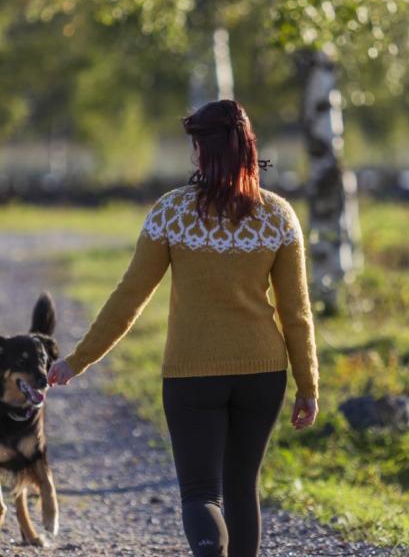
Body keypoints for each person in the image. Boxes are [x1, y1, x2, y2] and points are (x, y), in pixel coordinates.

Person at [48, 99, 319, 557]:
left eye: (196, 147)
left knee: (200, 493)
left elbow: (128, 298)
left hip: (191, 374)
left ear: (204, 153)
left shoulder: (170, 212)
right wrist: (308, 385)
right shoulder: (279, 216)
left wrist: (78, 360)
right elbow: (297, 312)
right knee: (240, 487)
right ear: (247, 149)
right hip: (262, 374)